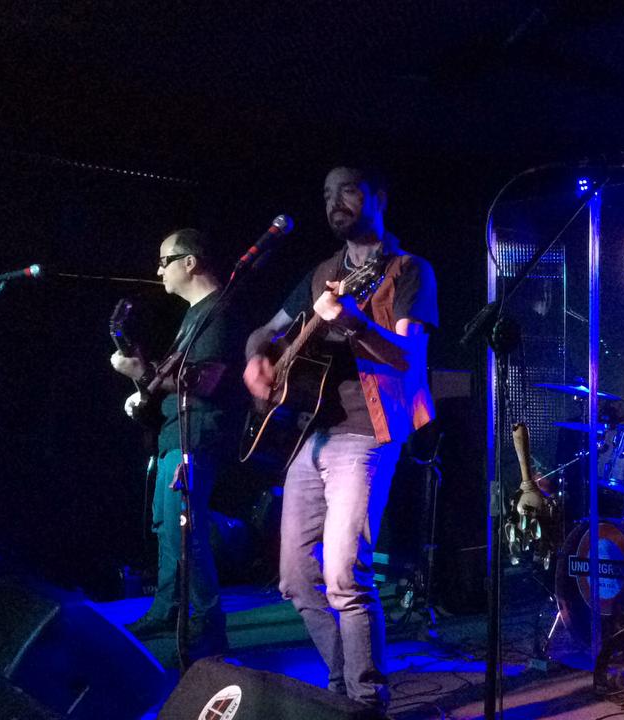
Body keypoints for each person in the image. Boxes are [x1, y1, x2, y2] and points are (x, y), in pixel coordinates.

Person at [243, 165, 437, 710]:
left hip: (367, 431)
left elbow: (407, 358)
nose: (335, 202)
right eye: (327, 193)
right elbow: (265, 331)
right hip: (311, 435)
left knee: (344, 574)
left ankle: (366, 699)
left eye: (347, 190)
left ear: (378, 197)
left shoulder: (407, 270)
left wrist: (352, 321)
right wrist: (258, 360)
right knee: (295, 578)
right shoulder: (321, 273)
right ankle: (341, 688)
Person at [111, 228, 246, 656]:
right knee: (168, 524)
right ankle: (167, 608)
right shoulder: (194, 315)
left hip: (198, 432)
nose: (158, 271)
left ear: (190, 262)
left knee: (187, 530)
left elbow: (204, 382)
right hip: (177, 431)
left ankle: (208, 622)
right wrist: (143, 388)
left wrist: (142, 371)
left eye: (164, 260)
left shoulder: (220, 310)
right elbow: (176, 378)